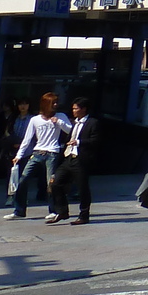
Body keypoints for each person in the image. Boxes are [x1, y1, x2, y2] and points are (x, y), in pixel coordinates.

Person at [6, 93, 71, 220]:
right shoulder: (35, 120)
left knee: (51, 183)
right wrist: (19, 155)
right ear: (46, 104)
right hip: (37, 153)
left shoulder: (60, 116)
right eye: (53, 103)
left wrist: (59, 122)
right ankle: (19, 210)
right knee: (23, 180)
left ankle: (53, 210)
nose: (56, 105)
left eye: (56, 103)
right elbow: (27, 139)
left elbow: (70, 130)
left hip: (52, 153)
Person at [49, 96, 100, 225]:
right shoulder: (74, 122)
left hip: (81, 159)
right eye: (73, 108)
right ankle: (62, 211)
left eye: (76, 108)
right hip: (69, 157)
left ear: (84, 109)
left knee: (82, 188)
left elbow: (96, 140)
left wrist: (79, 142)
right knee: (56, 183)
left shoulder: (92, 123)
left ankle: (84, 215)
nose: (74, 111)